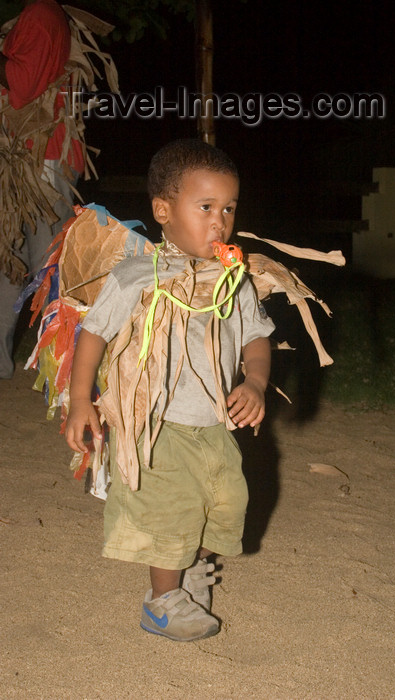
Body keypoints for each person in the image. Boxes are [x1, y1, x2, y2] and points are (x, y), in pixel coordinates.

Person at [65, 139, 276, 642]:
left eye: (228, 208)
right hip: (155, 423)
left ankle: (192, 574)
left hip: (213, 422)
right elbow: (92, 333)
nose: (219, 221)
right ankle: (162, 601)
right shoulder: (138, 276)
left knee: (223, 503)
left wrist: (255, 380)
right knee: (169, 513)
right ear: (163, 211)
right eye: (205, 207)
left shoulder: (233, 280)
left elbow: (256, 336)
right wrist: (80, 401)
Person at [0, 0, 118, 379]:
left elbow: (21, 85)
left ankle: (79, 375)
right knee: (10, 265)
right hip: (27, 164)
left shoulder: (41, 14)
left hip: (41, 163)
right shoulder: (42, 14)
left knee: (50, 272)